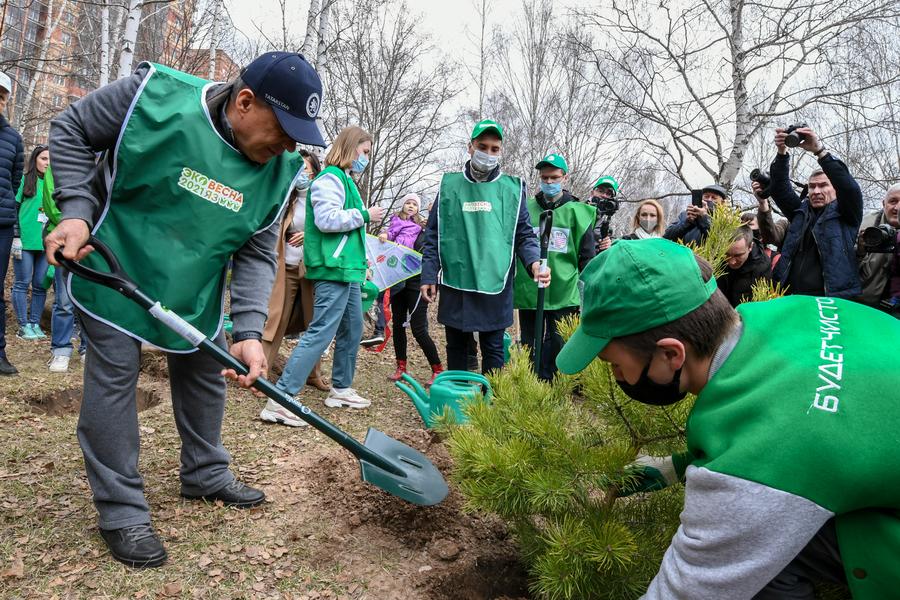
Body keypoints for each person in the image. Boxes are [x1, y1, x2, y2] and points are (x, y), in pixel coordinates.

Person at [45, 52, 326, 568]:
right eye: (284, 130)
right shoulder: (153, 97)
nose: (290, 146)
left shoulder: (281, 172)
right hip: (116, 265)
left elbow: (258, 248)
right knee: (115, 378)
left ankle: (205, 473)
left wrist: (246, 329)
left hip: (192, 286)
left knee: (205, 367)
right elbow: (70, 129)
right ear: (244, 102)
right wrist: (77, 212)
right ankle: (122, 509)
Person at [556, 238, 899, 599]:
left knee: (758, 567)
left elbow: (685, 591)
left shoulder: (762, 464)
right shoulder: (790, 311)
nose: (619, 378)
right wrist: (677, 465)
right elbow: (813, 426)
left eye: (615, 365)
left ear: (671, 354)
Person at [420, 119, 550, 374]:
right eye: (483, 146)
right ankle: (457, 404)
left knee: (493, 349)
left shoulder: (512, 189)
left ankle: (489, 406)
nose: (488, 153)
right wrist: (428, 274)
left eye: (494, 148)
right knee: (456, 346)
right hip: (457, 281)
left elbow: (523, 234)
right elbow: (434, 233)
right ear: (470, 147)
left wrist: (534, 262)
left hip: (495, 283)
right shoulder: (449, 186)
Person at [273, 125, 384, 412]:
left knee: (352, 327)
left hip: (348, 270)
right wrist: (364, 214)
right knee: (321, 330)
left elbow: (351, 236)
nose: (366, 158)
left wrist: (363, 264)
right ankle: (281, 398)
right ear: (350, 147)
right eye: (365, 151)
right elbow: (326, 219)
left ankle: (341, 389)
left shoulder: (347, 181)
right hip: (332, 268)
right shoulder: (328, 179)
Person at [259, 149, 330, 428]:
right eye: (297, 168)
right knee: (274, 318)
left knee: (316, 323)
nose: (302, 173)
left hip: (311, 269)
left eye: (306, 168)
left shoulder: (321, 197)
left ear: (315, 170)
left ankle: (313, 374)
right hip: (284, 267)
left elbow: (331, 225)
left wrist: (310, 234)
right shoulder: (285, 195)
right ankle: (260, 370)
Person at [513, 153, 595, 380]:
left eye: (554, 177)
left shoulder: (578, 212)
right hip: (531, 288)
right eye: (545, 177)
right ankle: (531, 383)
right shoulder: (526, 208)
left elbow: (587, 256)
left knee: (559, 341)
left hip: (563, 290)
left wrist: (585, 292)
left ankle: (555, 384)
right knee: (530, 342)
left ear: (564, 178)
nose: (549, 182)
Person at [768, 126, 863, 298]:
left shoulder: (847, 214)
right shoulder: (800, 213)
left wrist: (819, 151)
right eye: (812, 187)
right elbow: (780, 189)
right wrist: (782, 152)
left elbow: (849, 188)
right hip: (789, 296)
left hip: (830, 300)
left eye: (823, 185)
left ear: (835, 189)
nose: (816, 191)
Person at [378, 193, 443, 384]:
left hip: (419, 283)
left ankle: (437, 369)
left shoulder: (425, 231)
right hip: (399, 280)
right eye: (408, 203)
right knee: (398, 325)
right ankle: (401, 368)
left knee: (418, 328)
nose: (411, 206)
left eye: (416, 204)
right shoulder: (397, 226)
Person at [40, 165, 86, 372]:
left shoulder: (105, 158)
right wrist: (77, 227)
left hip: (94, 243)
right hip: (64, 240)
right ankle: (61, 350)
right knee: (64, 300)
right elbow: (51, 201)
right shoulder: (59, 163)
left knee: (90, 300)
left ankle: (87, 349)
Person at [12, 145, 50, 341]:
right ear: (35, 159)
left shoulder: (55, 184)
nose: (47, 163)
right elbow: (14, 209)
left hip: (46, 244)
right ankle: (23, 325)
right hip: (24, 243)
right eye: (44, 158)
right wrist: (16, 236)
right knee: (22, 283)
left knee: (40, 285)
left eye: (51, 160)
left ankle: (35, 323)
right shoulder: (25, 180)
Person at [0, 70, 25, 376]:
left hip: (2, 223)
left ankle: (0, 353)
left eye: (2, 97)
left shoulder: (13, 138)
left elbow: (15, 180)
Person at [856, 183, 900, 314]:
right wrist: (860, 251)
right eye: (893, 201)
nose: (897, 208)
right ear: (883, 203)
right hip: (864, 305)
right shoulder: (864, 225)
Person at [715, 225, 772, 307]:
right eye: (726, 254)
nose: (731, 262)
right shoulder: (716, 255)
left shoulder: (763, 265)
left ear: (750, 247)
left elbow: (761, 302)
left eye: (738, 255)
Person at [664, 184, 728, 245]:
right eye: (706, 196)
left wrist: (703, 218)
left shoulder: (724, 221)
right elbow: (666, 236)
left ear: (722, 203)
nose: (709, 199)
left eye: (714, 198)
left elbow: (717, 243)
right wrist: (687, 223)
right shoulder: (685, 214)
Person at [587, 175, 616, 251]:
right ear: (592, 192)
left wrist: (607, 244)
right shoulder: (577, 210)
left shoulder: (606, 222)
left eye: (608, 194)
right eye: (600, 191)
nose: (604, 195)